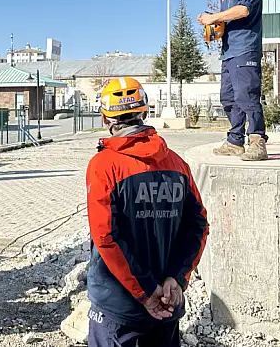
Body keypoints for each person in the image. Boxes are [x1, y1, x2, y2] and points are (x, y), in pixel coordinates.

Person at [86, 77, 209, 347]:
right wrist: (175, 278)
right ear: (145, 110)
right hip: (167, 300)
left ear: (106, 118)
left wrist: (144, 292)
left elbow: (105, 236)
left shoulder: (104, 165)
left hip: (118, 306)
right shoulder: (177, 163)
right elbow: (198, 224)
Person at [197, 0, 268, 161]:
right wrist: (214, 30)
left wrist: (214, 17)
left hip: (246, 48)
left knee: (247, 95)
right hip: (228, 52)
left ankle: (257, 142)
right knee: (228, 98)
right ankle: (235, 141)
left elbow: (243, 11)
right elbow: (226, 20)